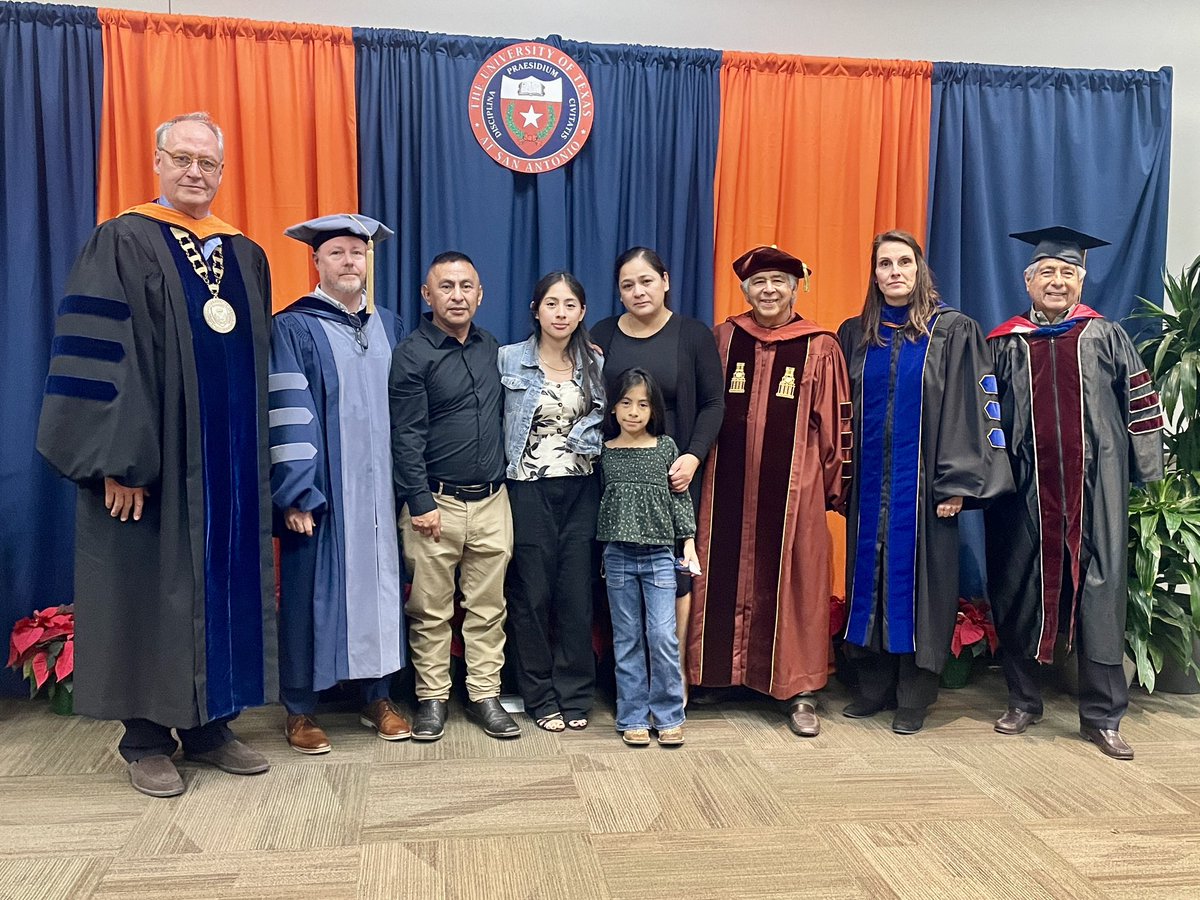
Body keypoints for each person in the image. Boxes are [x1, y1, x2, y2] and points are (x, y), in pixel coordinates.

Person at [36, 112, 275, 797]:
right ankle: (143, 737)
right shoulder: (122, 240)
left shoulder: (245, 255)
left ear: (222, 172)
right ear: (158, 163)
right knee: (147, 588)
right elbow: (101, 358)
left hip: (225, 469)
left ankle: (208, 726)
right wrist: (117, 459)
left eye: (209, 162)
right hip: (151, 465)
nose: (196, 171)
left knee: (218, 586)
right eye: (184, 158)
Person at [986, 226, 1164, 760]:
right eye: (1047, 273)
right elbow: (985, 417)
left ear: (1082, 280)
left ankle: (1102, 716)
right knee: (1019, 585)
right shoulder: (1005, 342)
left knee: (1100, 593)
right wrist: (990, 478)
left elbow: (1140, 402)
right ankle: (1022, 700)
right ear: (1028, 280)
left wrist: (1146, 471)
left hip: (1096, 489)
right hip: (1024, 490)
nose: (1057, 281)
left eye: (1067, 273)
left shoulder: (1106, 336)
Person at [838, 230, 1012, 734]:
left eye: (903, 263)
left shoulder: (953, 331)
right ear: (873, 274)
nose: (894, 272)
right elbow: (841, 412)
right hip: (870, 489)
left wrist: (956, 482)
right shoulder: (856, 333)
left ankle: (914, 695)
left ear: (919, 271)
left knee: (924, 587)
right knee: (866, 578)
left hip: (928, 491)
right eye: (884, 264)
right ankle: (873, 687)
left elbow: (970, 408)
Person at [687, 246, 853, 737]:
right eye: (759, 283)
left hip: (792, 494)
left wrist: (827, 490)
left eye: (779, 281)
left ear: (795, 288)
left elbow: (837, 422)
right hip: (723, 487)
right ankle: (716, 673)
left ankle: (798, 688)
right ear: (744, 291)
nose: (769, 290)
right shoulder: (723, 338)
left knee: (796, 579)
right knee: (717, 570)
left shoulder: (819, 345)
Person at [269, 214, 409, 753]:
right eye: (337, 254)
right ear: (317, 262)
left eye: (357, 253)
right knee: (307, 595)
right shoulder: (295, 326)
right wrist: (297, 491)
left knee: (381, 589)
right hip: (325, 493)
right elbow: (286, 410)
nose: (349, 262)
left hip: (382, 493)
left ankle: (377, 696)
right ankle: (300, 710)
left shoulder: (390, 325)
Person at [390, 251, 519, 741]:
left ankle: (485, 695)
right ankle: (432, 699)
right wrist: (419, 501)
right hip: (434, 503)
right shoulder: (412, 354)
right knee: (430, 609)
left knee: (489, 607)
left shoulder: (492, 348)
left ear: (480, 294)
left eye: (467, 286)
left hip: (492, 500)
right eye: (447, 286)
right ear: (428, 295)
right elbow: (405, 435)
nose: (458, 295)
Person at [591, 248, 724, 686]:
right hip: (619, 475)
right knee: (621, 574)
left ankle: (675, 674)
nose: (637, 291)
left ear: (665, 281)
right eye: (627, 285)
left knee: (676, 574)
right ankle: (629, 679)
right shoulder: (604, 334)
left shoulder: (693, 334)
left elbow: (712, 403)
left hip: (676, 474)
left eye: (646, 281)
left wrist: (693, 455)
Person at [499, 272, 606, 732]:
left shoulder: (596, 364)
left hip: (582, 488)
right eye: (551, 304)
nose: (560, 313)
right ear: (535, 309)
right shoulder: (507, 359)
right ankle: (539, 695)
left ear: (582, 312)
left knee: (576, 595)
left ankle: (575, 694)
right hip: (527, 489)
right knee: (532, 595)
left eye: (569, 305)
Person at [598, 368, 700, 747]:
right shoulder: (603, 451)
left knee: (661, 636)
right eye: (625, 403)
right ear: (613, 407)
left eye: (642, 404)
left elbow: (680, 499)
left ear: (653, 409)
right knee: (626, 639)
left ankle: (670, 714)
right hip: (618, 557)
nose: (634, 412)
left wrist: (687, 545)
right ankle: (632, 716)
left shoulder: (666, 448)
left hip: (659, 556)